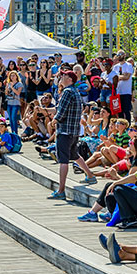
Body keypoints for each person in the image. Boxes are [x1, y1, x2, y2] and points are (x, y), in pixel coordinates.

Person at [47, 70, 97, 199]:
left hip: (65, 131)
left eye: (63, 75)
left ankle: (61, 190)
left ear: (70, 79)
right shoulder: (76, 92)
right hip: (74, 131)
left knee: (63, 160)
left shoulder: (67, 92)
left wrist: (54, 121)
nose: (61, 77)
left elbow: (61, 111)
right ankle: (90, 175)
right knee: (74, 155)